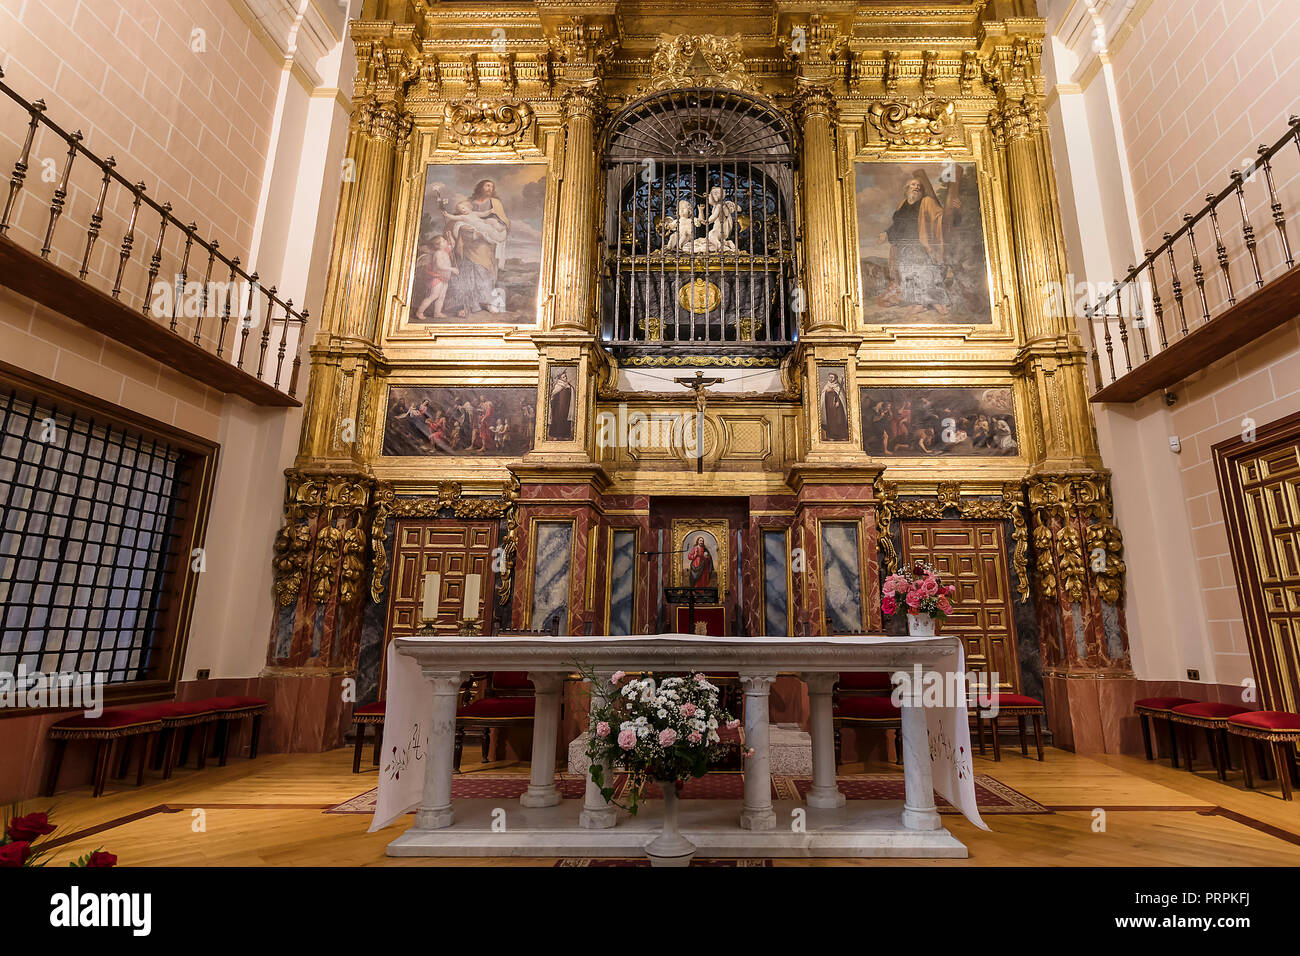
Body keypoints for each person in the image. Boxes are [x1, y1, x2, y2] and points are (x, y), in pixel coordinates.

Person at [878, 169, 952, 316]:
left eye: (919, 185)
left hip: (920, 245)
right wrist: (886, 233)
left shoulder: (927, 202)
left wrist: (952, 207)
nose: (916, 187)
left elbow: (941, 217)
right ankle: (921, 304)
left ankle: (937, 302)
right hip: (903, 246)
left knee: (927, 274)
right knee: (909, 275)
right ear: (907, 189)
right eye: (913, 185)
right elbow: (896, 224)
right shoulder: (902, 204)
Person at [414, 235, 458, 320]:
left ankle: (437, 312)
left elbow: (452, 244)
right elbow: (439, 266)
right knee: (434, 295)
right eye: (443, 241)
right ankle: (419, 312)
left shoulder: (445, 250)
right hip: (437, 277)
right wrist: (452, 269)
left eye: (445, 240)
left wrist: (449, 235)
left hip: (445, 277)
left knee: (442, 296)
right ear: (438, 245)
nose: (446, 241)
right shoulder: (438, 253)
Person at [820, 372, 849, 441]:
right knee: (831, 422)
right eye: (829, 377)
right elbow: (823, 396)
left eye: (832, 377)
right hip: (829, 409)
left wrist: (838, 402)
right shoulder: (826, 386)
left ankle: (842, 436)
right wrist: (827, 391)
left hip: (838, 408)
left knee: (839, 421)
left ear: (835, 378)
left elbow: (841, 396)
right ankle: (831, 436)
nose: (830, 379)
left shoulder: (838, 386)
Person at [548, 370, 574, 441]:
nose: (565, 378)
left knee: (565, 420)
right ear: (560, 378)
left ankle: (565, 435)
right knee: (557, 420)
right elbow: (553, 395)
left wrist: (569, 388)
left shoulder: (569, 386)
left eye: (565, 377)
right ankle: (555, 435)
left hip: (566, 407)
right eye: (563, 377)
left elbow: (570, 395)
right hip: (558, 408)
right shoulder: (558, 386)